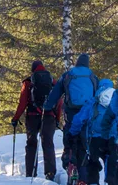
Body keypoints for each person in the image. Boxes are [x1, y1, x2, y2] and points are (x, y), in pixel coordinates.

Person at [44, 53, 99, 182]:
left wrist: (47, 106)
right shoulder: (93, 76)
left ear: (77, 63)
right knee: (83, 146)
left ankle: (70, 165)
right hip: (87, 117)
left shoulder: (68, 75)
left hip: (71, 116)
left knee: (70, 143)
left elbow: (55, 94)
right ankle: (83, 178)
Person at [11, 60, 62, 181]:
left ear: (32, 70)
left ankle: (30, 173)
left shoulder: (28, 82)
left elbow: (23, 102)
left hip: (33, 116)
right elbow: (59, 101)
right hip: (49, 116)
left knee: (31, 143)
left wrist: (16, 118)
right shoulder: (52, 81)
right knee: (48, 143)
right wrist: (57, 118)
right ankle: (50, 173)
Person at [68, 78, 117, 185]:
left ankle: (93, 183)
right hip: (112, 138)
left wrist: (72, 133)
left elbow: (79, 119)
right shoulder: (117, 101)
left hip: (94, 139)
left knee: (92, 163)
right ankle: (111, 181)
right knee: (111, 162)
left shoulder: (93, 101)